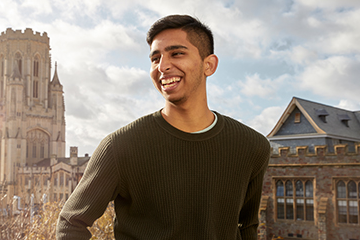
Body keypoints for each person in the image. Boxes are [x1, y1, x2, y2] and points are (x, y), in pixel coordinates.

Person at [56, 14, 270, 240]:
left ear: (209, 65)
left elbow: (247, 226)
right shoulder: (120, 147)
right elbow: (71, 223)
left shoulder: (252, 147)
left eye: (177, 53)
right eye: (155, 58)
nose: (163, 66)